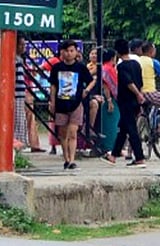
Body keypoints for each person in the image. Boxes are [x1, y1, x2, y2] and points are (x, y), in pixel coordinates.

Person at [48, 40, 94, 170]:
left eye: (72, 51)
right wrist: (52, 102)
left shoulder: (80, 68)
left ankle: (72, 160)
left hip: (76, 103)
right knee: (63, 134)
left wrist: (86, 91)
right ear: (62, 52)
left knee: (73, 132)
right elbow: (53, 86)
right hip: (61, 104)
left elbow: (91, 81)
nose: (69, 54)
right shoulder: (56, 68)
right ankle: (66, 158)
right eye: (66, 51)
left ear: (76, 52)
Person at [102, 39, 146, 168]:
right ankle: (113, 155)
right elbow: (140, 82)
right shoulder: (136, 64)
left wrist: (137, 94)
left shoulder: (121, 66)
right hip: (135, 101)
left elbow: (129, 83)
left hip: (126, 100)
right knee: (123, 128)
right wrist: (140, 95)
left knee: (131, 129)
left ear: (117, 52)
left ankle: (139, 157)